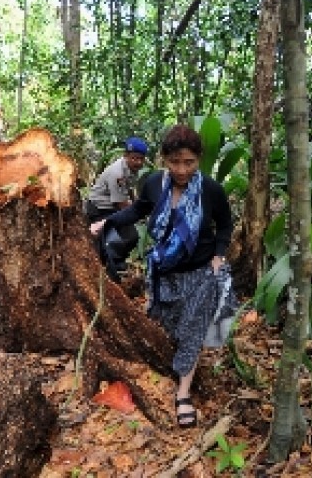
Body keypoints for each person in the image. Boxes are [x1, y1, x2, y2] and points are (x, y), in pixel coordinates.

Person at [90, 124, 236, 428]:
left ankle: (183, 394)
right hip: (165, 273)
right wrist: (107, 222)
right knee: (168, 328)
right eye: (174, 162)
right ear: (163, 160)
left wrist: (219, 255)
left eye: (189, 162)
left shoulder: (210, 189)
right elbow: (139, 210)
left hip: (200, 273)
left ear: (198, 159)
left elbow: (224, 225)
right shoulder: (155, 183)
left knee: (192, 332)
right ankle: (168, 373)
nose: (182, 169)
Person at [86, 136, 149, 281]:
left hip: (112, 207)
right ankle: (107, 269)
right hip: (99, 209)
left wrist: (136, 204)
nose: (138, 162)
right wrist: (140, 212)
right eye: (134, 158)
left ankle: (114, 262)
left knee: (131, 236)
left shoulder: (130, 170)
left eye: (141, 159)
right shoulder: (117, 173)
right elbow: (120, 204)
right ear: (126, 156)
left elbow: (129, 192)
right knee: (110, 240)